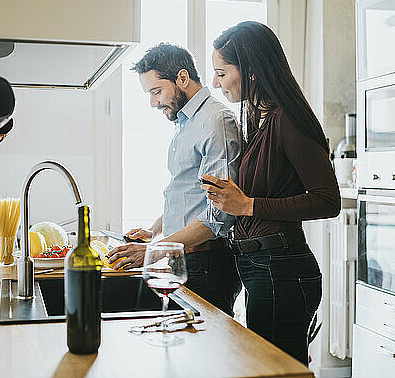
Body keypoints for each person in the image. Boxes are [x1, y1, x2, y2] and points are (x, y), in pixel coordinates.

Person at [112, 22, 340, 365]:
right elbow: (206, 192)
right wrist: (158, 230)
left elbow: (327, 200)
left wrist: (247, 205)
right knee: (263, 366)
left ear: (250, 71)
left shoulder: (286, 120)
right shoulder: (255, 116)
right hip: (258, 264)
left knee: (275, 369)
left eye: (221, 72)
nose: (216, 83)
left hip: (280, 266)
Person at [109, 43, 242, 316]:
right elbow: (186, 192)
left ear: (182, 78)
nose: (153, 102)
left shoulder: (215, 121)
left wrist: (155, 250)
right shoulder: (186, 122)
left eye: (156, 91)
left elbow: (219, 214)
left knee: (206, 353)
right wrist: (155, 231)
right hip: (189, 259)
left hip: (207, 264)